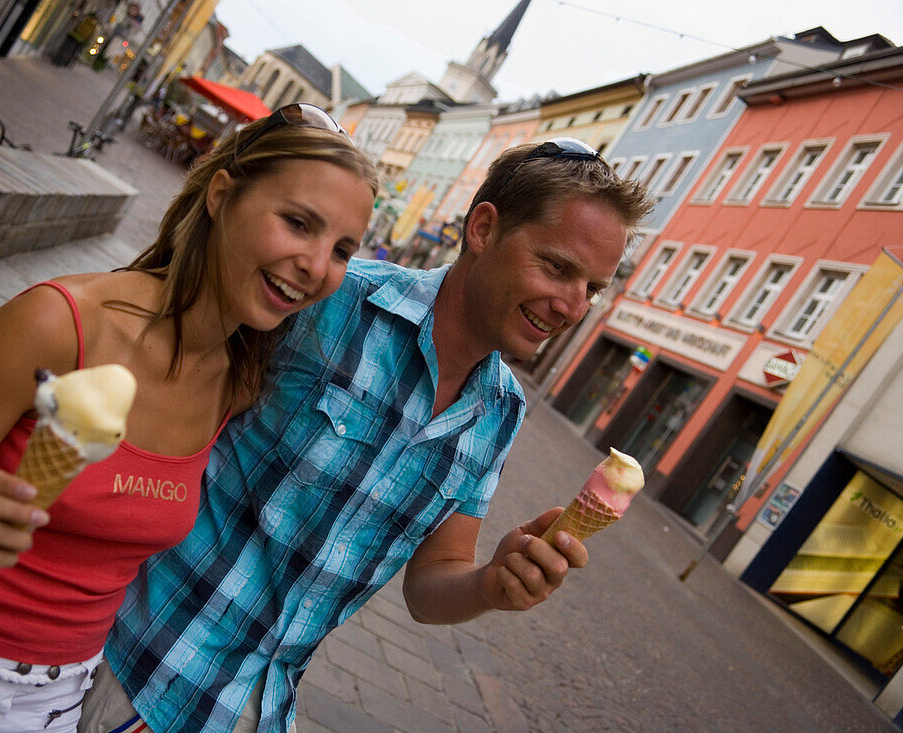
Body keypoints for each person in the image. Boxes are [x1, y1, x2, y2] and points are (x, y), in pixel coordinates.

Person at [0, 104, 377, 731]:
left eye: (342, 250)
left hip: (51, 705)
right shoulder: (57, 324)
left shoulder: (235, 383)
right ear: (221, 195)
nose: (318, 267)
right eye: (298, 223)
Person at [79, 138, 654, 732]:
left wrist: (489, 584)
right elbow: (148, 386)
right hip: (132, 672)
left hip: (256, 711)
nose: (572, 305)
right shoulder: (332, 302)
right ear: (483, 228)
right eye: (557, 267)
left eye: (593, 288)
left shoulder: (500, 412)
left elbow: (430, 586)